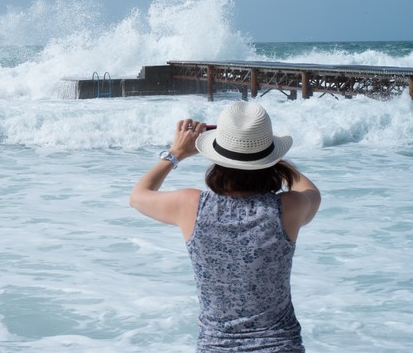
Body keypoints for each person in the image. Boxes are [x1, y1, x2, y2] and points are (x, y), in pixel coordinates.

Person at [129, 101, 321, 353]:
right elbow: (311, 192)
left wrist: (175, 153)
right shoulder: (288, 208)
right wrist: (269, 154)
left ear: (216, 157)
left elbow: (138, 196)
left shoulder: (191, 206)